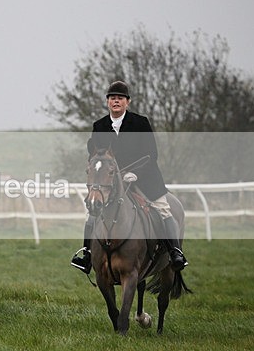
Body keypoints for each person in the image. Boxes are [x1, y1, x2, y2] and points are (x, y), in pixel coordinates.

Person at [70, 80, 188, 273]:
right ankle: (87, 255)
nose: (116, 101)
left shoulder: (140, 123)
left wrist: (135, 174)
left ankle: (175, 252)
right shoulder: (99, 126)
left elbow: (151, 155)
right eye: (112, 98)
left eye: (120, 98)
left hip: (144, 179)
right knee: (91, 214)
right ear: (108, 102)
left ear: (127, 102)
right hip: (111, 183)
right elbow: (95, 157)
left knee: (164, 209)